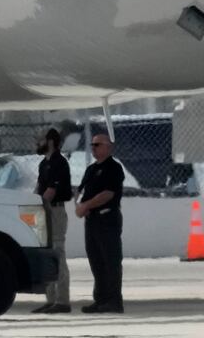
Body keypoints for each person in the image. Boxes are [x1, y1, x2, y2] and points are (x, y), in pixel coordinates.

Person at [75, 132, 124, 313]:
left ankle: (113, 300)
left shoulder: (113, 168)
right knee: (96, 261)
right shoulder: (91, 169)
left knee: (110, 260)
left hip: (107, 218)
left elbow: (108, 194)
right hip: (92, 220)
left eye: (98, 145)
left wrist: (86, 204)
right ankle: (101, 299)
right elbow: (81, 190)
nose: (94, 148)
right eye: (92, 145)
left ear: (108, 147)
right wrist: (79, 205)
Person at [33, 127, 73, 314]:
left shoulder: (59, 163)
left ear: (50, 141)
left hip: (55, 211)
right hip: (43, 212)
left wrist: (37, 204)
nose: (37, 143)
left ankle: (62, 300)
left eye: (41, 140)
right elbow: (39, 188)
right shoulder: (43, 164)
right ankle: (50, 299)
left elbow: (50, 191)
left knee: (57, 253)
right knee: (46, 254)